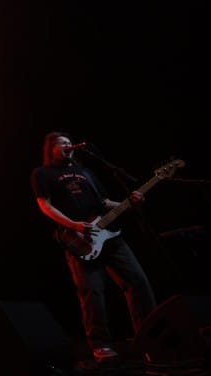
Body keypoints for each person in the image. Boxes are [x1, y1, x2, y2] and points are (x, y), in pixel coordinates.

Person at [31, 131, 157, 361]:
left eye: (69, 143)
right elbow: (44, 205)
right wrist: (73, 225)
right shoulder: (43, 173)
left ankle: (149, 337)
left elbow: (103, 202)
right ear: (50, 150)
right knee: (92, 291)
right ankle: (100, 345)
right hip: (77, 239)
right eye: (61, 144)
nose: (68, 146)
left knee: (138, 282)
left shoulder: (85, 172)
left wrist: (129, 203)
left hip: (109, 235)